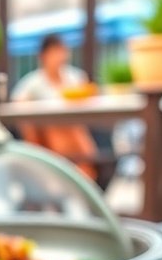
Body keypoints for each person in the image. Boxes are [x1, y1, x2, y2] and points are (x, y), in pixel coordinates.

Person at [11, 34, 97, 180]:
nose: (60, 57)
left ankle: (80, 172)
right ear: (44, 56)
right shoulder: (33, 82)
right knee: (52, 128)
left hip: (74, 130)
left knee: (71, 130)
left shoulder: (75, 77)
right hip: (46, 137)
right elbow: (18, 105)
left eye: (62, 51)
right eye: (55, 52)